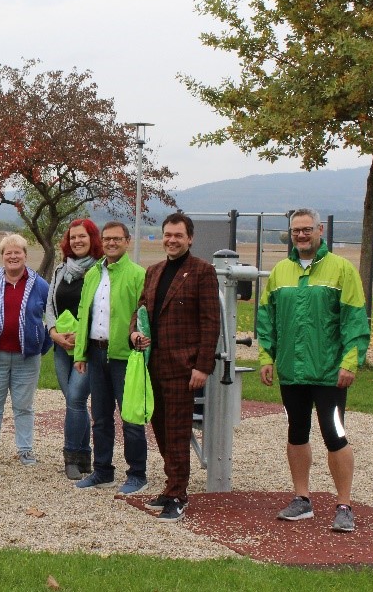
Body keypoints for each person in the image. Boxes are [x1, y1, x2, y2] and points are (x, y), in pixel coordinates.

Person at [257, 208, 370, 533]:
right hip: (292, 373)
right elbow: (267, 320)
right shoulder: (280, 272)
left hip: (330, 375)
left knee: (335, 435)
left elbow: (354, 321)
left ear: (320, 230)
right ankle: (302, 499)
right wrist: (267, 357)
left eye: (307, 229)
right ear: (290, 234)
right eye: (296, 231)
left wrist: (350, 361)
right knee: (296, 432)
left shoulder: (341, 270)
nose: (302, 235)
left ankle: (344, 505)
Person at [131, 213, 220, 522]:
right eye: (167, 234)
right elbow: (140, 310)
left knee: (179, 432)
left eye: (177, 235)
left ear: (189, 238)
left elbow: (211, 323)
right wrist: (134, 332)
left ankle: (179, 495)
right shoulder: (153, 272)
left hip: (183, 368)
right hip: (152, 365)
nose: (171, 240)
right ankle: (171, 486)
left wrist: (202, 367)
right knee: (162, 430)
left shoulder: (202, 272)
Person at [73, 221, 148, 494]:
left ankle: (137, 473)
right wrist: (80, 352)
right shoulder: (93, 274)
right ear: (101, 242)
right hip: (95, 352)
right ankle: (102, 470)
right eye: (107, 239)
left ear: (127, 241)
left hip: (125, 357)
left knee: (130, 416)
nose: (112, 243)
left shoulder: (138, 275)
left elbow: (144, 316)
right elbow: (85, 315)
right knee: (101, 417)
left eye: (117, 239)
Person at [0, 233, 51, 467]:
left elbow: (54, 315)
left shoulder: (39, 284)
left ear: (25, 255)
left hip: (27, 358)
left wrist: (43, 343)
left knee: (24, 406)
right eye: (8, 253)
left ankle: (25, 450)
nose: (13, 256)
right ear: (2, 256)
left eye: (18, 252)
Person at [43, 218, 102, 479]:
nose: (77, 241)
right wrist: (54, 334)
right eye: (73, 237)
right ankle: (85, 456)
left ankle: (71, 457)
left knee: (76, 399)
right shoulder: (59, 271)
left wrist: (81, 337)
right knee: (73, 402)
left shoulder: (100, 271)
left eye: (83, 237)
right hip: (60, 347)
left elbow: (101, 311)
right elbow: (50, 306)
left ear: (92, 239)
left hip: (85, 349)